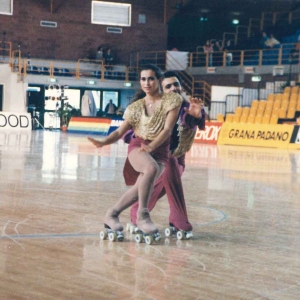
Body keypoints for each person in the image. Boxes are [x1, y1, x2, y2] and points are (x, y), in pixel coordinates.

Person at [87, 64, 183, 242]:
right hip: (138, 146)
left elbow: (168, 129)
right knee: (151, 168)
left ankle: (112, 214)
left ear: (159, 81)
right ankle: (142, 215)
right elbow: (118, 132)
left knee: (139, 187)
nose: (147, 82)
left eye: (151, 78)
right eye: (143, 79)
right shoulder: (135, 107)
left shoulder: (172, 101)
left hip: (159, 149)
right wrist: (103, 142)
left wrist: (153, 146)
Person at [125, 70, 205, 238]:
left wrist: (196, 116)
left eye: (176, 84)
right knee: (163, 174)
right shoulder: (153, 108)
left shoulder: (187, 107)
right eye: (168, 86)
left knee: (164, 175)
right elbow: (132, 131)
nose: (173, 88)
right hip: (157, 160)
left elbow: (189, 120)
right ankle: (178, 220)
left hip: (177, 160)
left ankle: (136, 214)